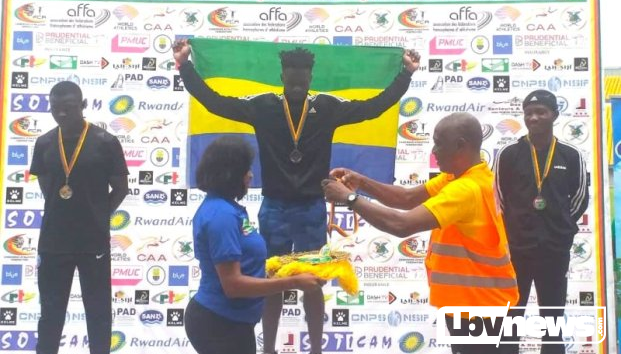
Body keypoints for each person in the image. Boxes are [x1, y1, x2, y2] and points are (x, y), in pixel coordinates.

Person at [174, 39, 421, 354]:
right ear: (282, 76)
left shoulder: (327, 108)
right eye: (291, 80)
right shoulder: (263, 106)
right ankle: (268, 350)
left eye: (301, 81)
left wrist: (405, 75)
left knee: (313, 282)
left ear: (310, 78)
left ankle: (316, 349)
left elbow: (373, 108)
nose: (296, 86)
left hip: (311, 208)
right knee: (270, 281)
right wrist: (185, 66)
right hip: (273, 208)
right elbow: (215, 103)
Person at [322, 112, 519, 354]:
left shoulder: (465, 190)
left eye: (439, 143)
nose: (433, 151)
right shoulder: (466, 177)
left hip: (481, 311)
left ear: (460, 145)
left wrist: (350, 199)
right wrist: (362, 182)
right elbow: (406, 198)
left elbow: (402, 224)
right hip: (477, 304)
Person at [185, 136, 324, 354]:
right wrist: (294, 282)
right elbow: (233, 285)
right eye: (245, 170)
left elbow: (250, 265)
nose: (251, 175)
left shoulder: (228, 209)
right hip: (219, 325)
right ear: (229, 174)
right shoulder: (221, 216)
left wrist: (295, 266)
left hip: (234, 322)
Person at [29, 81, 129, 354]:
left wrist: (99, 214)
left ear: (83, 106)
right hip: (53, 242)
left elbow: (121, 188)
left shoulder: (106, 142)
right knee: (50, 314)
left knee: (98, 314)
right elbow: (48, 188)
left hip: (93, 241)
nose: (61, 114)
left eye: (69, 107)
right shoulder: (44, 143)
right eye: (55, 108)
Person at [493, 90, 589, 354]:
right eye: (528, 113)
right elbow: (498, 198)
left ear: (554, 115)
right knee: (511, 320)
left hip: (554, 251)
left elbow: (580, 198)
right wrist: (515, 229)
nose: (533, 118)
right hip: (516, 251)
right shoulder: (509, 154)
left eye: (541, 112)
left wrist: (560, 228)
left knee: (553, 321)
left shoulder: (570, 155)